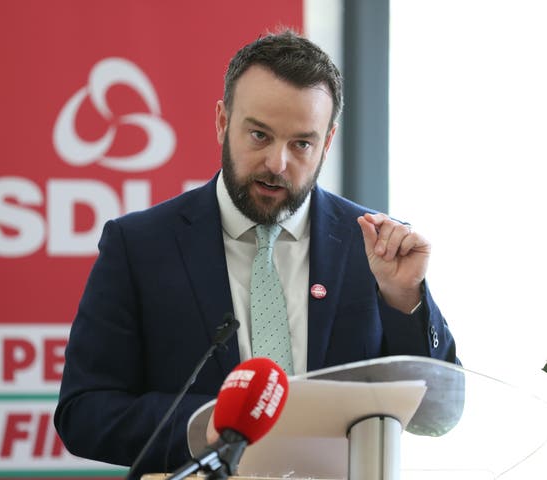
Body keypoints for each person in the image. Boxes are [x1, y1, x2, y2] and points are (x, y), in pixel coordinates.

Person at [54, 30, 459, 476]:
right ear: (223, 122)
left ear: (327, 143)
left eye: (301, 144)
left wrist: (405, 299)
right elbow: (84, 413)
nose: (277, 163)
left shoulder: (377, 247)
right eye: (260, 135)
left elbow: (439, 415)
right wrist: (209, 427)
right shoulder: (140, 246)